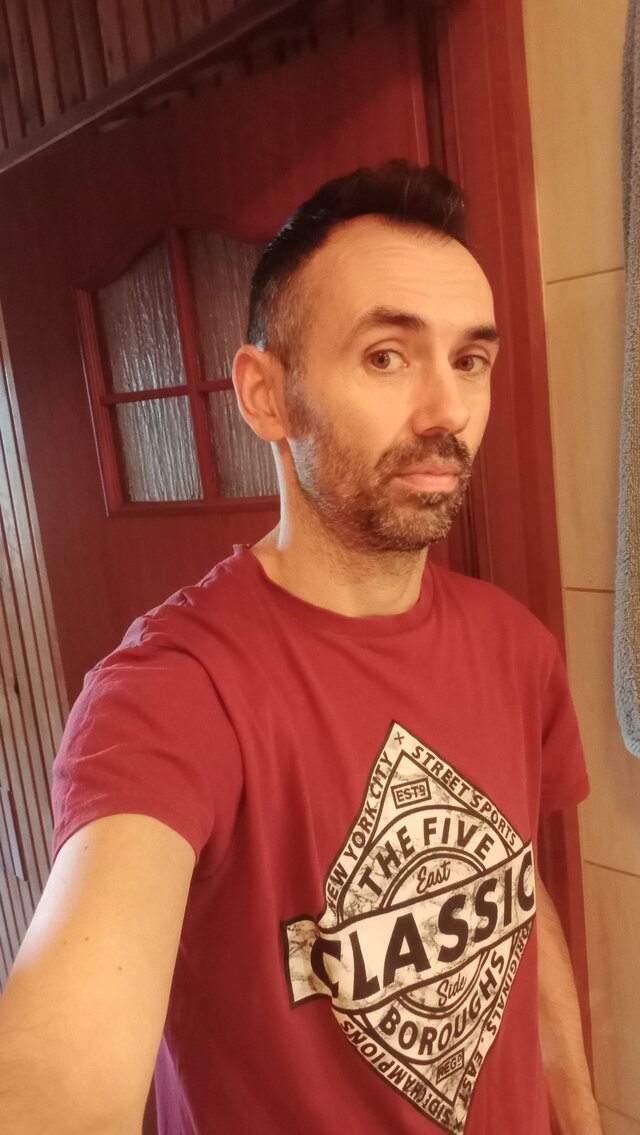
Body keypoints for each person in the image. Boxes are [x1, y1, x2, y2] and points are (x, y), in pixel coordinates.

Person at [0, 161, 601, 1135]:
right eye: (386, 356)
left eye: (470, 360)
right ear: (266, 395)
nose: (447, 411)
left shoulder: (515, 649)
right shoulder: (170, 695)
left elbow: (513, 902)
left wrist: (580, 1114)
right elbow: (59, 1067)